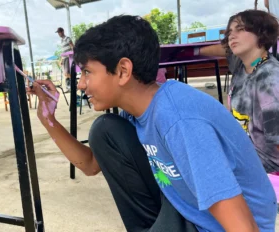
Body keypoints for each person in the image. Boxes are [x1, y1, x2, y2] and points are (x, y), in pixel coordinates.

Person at [29, 15, 277, 231]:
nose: (81, 84)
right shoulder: (137, 111)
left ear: (123, 71)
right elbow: (91, 165)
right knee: (105, 132)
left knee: (106, 129)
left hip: (219, 227)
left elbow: (243, 227)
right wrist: (48, 118)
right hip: (188, 214)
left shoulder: (179, 119)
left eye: (87, 72)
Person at [179, 10, 279, 173]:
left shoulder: (270, 79)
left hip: (264, 169)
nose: (232, 36)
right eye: (229, 32)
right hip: (241, 153)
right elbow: (224, 48)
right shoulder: (242, 66)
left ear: (262, 33)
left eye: (240, 29)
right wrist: (190, 52)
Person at [56, 27, 74, 92]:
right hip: (64, 58)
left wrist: (73, 56)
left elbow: (72, 46)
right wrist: (61, 59)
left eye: (59, 32)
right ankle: (68, 87)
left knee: (67, 73)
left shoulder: (67, 39)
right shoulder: (61, 41)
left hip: (68, 57)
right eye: (58, 32)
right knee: (65, 73)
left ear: (63, 31)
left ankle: (73, 85)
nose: (59, 34)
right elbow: (63, 51)